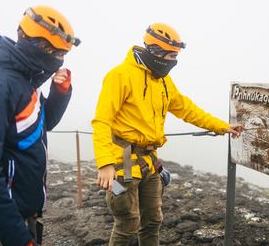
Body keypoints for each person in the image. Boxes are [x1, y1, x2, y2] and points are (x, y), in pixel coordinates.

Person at [92, 23, 246, 246]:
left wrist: (222, 126)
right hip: (121, 166)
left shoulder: (163, 81)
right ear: (155, 51)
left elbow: (186, 109)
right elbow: (101, 121)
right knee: (127, 223)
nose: (174, 61)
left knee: (153, 221)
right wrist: (104, 164)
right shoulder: (120, 75)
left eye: (176, 56)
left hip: (151, 165)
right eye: (171, 55)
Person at [0, 6, 80, 246]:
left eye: (61, 52)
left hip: (19, 206)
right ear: (29, 40)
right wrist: (17, 236)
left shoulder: (25, 80)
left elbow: (41, 126)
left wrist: (60, 91)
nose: (56, 58)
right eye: (51, 50)